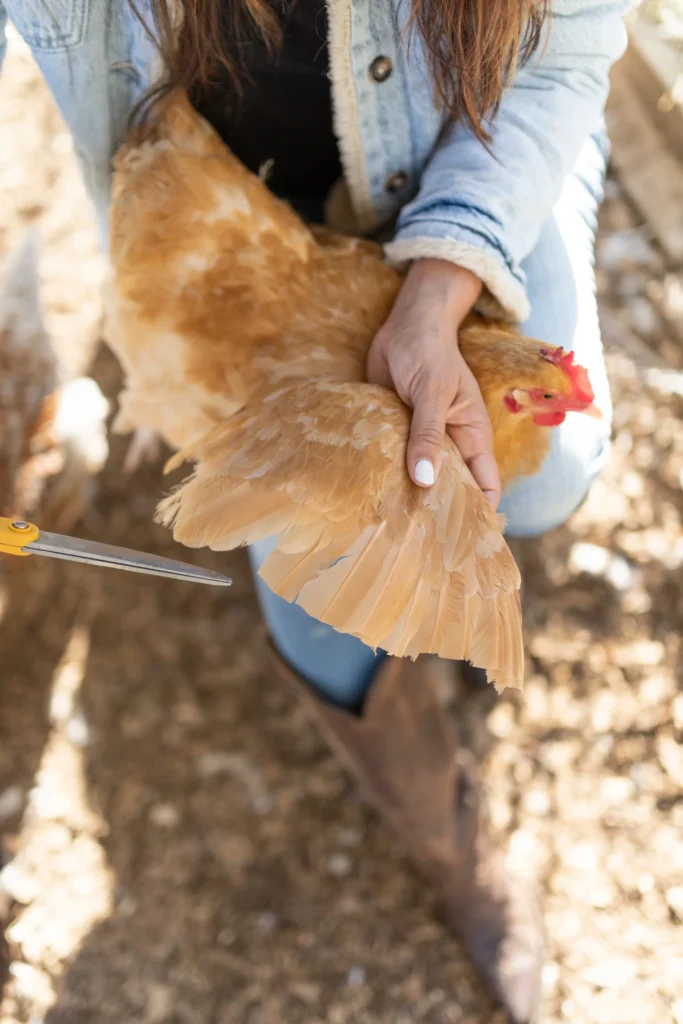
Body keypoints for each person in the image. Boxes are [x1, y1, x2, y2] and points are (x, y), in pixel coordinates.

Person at [1, 0, 631, 1019]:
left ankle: (538, 216)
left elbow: (561, 48)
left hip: (478, 138)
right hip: (228, 224)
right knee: (320, 595)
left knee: (551, 472)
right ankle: (447, 839)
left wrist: (441, 278)